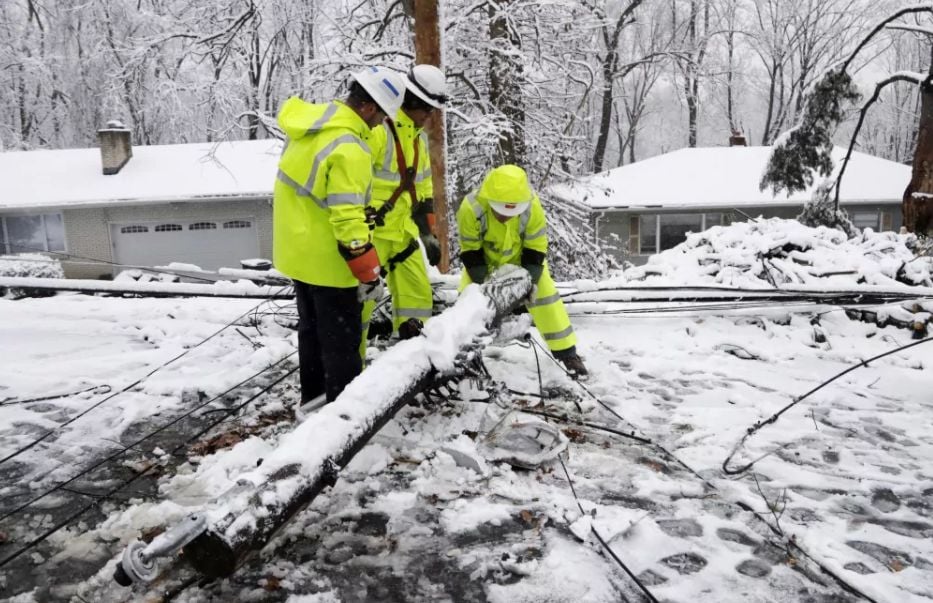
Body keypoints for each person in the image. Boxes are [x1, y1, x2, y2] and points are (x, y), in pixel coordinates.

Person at [273, 66, 406, 405]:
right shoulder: (350, 148)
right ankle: (341, 425)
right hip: (330, 265)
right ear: (368, 107)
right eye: (381, 116)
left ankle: (313, 401)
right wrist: (369, 272)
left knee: (311, 335)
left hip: (297, 256)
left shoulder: (310, 127)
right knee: (341, 347)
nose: (380, 125)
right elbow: (347, 219)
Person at [456, 164, 589, 379]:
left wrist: (528, 284)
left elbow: (535, 248)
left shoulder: (531, 206)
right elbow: (471, 253)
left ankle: (567, 353)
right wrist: (493, 291)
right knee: (467, 302)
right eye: (501, 212)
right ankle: (466, 358)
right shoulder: (471, 208)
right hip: (484, 265)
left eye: (511, 212)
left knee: (546, 299)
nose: (506, 217)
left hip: (524, 263)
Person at [360, 65, 448, 350]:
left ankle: (410, 357)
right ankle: (351, 366)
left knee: (417, 296)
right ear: (412, 102)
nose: (430, 117)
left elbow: (421, 195)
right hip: (372, 235)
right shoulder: (378, 133)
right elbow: (350, 180)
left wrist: (428, 234)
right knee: (360, 305)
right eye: (428, 110)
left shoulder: (418, 141)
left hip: (403, 234)